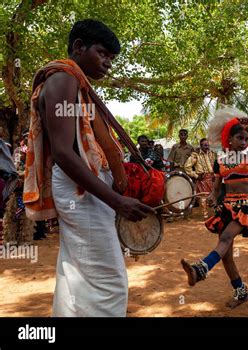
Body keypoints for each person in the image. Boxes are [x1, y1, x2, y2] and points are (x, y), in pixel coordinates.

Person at [23, 19, 154, 317]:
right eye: (103, 53)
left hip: (84, 192)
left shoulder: (74, 83)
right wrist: (116, 201)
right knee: (109, 281)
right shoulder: (64, 78)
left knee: (76, 277)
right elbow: (64, 154)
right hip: (80, 193)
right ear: (79, 47)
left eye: (111, 58)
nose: (107, 63)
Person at [180, 107, 248, 308]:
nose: (244, 142)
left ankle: (200, 270)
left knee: (227, 238)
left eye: (246, 139)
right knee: (227, 254)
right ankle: (241, 290)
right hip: (227, 206)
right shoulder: (220, 161)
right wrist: (211, 196)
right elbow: (216, 187)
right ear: (230, 139)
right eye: (240, 138)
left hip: (245, 207)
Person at [184, 138, 216, 219]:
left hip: (212, 178)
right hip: (202, 179)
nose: (207, 147)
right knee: (203, 197)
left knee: (213, 196)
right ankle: (205, 215)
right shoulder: (196, 155)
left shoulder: (212, 154)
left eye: (208, 145)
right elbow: (187, 167)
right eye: (205, 145)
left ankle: (214, 214)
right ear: (201, 146)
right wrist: (196, 176)